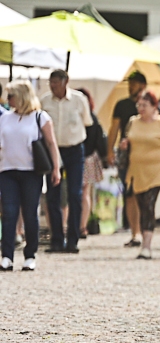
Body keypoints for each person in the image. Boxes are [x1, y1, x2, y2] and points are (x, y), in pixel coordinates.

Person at [0, 81, 61, 271]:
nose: (8, 100)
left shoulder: (40, 117)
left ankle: (30, 254)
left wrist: (56, 168)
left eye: (11, 96)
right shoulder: (5, 118)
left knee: (30, 213)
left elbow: (51, 143)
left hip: (31, 172)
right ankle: (7, 255)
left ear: (21, 97)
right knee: (9, 213)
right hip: (7, 170)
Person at [121, 90, 160, 259]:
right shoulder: (133, 122)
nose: (141, 108)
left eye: (145, 105)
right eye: (139, 105)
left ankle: (146, 246)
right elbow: (127, 140)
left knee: (149, 205)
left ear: (154, 106)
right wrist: (124, 145)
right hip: (137, 171)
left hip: (157, 171)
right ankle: (143, 238)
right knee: (142, 206)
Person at [40, 69, 92, 254]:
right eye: (51, 82)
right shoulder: (44, 101)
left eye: (56, 82)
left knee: (75, 194)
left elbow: (87, 122)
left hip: (74, 149)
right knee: (52, 195)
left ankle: (73, 239)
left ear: (65, 82)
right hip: (52, 150)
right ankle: (56, 239)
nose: (53, 86)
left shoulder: (79, 100)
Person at [110, 71, 147, 247]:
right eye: (130, 84)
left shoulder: (150, 105)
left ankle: (145, 230)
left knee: (143, 194)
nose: (131, 87)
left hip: (145, 155)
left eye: (135, 84)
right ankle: (135, 232)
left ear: (143, 86)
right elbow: (114, 128)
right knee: (130, 193)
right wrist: (109, 151)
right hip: (126, 155)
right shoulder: (122, 105)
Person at [78, 87, 105, 241]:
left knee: (74, 194)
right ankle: (83, 226)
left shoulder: (77, 116)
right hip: (89, 157)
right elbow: (99, 140)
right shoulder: (93, 117)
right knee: (85, 193)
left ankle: (74, 225)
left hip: (79, 157)